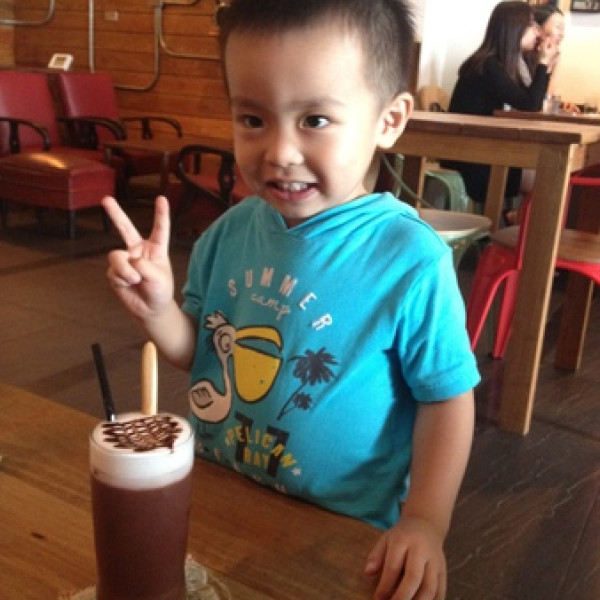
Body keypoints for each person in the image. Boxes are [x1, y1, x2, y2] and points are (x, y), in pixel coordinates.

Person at [102, 1, 479, 598]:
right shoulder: (228, 233)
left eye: (315, 120)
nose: (279, 151)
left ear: (388, 120)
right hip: (221, 496)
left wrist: (426, 522)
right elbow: (201, 351)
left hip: (343, 533)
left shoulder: (409, 259)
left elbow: (448, 399)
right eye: (253, 119)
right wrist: (159, 311)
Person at [442, 0, 560, 208]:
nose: (538, 32)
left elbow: (530, 99)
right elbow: (530, 104)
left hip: (483, 150)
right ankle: (516, 225)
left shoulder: (499, 63)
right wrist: (543, 63)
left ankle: (514, 223)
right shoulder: (488, 66)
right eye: (531, 25)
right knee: (548, 177)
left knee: (546, 172)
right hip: (470, 159)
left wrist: (546, 66)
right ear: (514, 29)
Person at [530, 4, 580, 114]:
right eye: (558, 27)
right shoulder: (525, 58)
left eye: (563, 29)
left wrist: (561, 105)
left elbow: (547, 100)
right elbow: (535, 104)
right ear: (537, 28)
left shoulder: (550, 57)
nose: (562, 34)